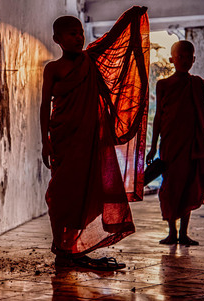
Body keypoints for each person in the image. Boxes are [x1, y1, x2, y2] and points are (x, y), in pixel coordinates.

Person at [41, 6, 149, 270]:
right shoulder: (53, 68)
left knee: (83, 194)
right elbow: (45, 105)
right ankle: (62, 247)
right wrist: (44, 140)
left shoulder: (91, 61)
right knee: (60, 194)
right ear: (57, 39)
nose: (79, 38)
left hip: (89, 140)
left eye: (80, 33)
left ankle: (70, 250)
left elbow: (115, 43)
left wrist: (131, 21)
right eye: (71, 34)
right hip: (64, 138)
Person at [146, 40, 204, 246]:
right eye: (180, 57)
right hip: (171, 144)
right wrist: (153, 146)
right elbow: (158, 116)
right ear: (172, 59)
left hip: (191, 146)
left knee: (188, 187)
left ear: (193, 60)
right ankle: (171, 233)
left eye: (188, 57)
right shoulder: (163, 85)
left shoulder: (198, 85)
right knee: (171, 187)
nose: (184, 60)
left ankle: (183, 233)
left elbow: (202, 104)